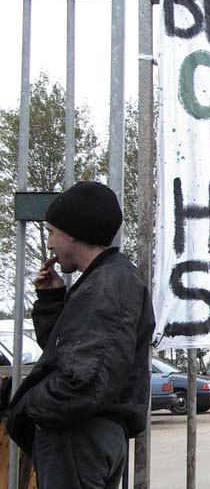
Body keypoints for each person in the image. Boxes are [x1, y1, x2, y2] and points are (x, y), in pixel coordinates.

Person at [6, 181, 155, 489]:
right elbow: (66, 356)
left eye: (51, 232)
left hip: (77, 434)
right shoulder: (102, 281)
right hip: (84, 433)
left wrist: (32, 406)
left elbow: (86, 379)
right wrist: (51, 300)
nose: (49, 244)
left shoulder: (107, 285)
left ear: (73, 232)